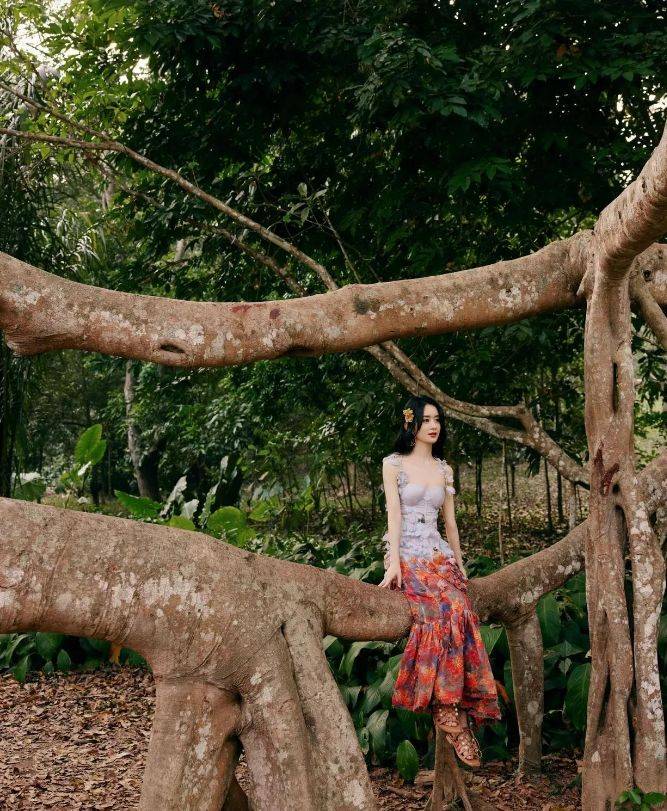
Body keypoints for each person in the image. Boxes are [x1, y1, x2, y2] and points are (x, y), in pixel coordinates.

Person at [378, 395, 501, 768]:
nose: (434, 426)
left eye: (438, 420)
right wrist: (394, 562)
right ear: (410, 423)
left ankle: (452, 706)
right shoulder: (393, 464)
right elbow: (394, 516)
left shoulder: (444, 470)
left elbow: (450, 523)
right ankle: (448, 713)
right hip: (408, 555)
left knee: (459, 606)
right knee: (433, 610)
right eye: (427, 419)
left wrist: (459, 565)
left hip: (437, 553)